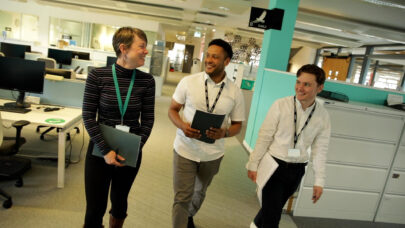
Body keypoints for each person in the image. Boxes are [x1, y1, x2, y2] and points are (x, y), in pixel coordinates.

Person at [82, 27, 155, 228]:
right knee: (95, 207)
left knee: (120, 202)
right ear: (123, 48)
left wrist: (134, 148)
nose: (146, 51)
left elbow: (148, 120)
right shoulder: (98, 76)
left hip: (130, 151)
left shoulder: (147, 81)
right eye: (142, 46)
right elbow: (88, 116)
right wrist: (106, 151)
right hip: (99, 150)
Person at [168, 39, 245, 228]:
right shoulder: (188, 82)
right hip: (185, 149)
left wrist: (224, 133)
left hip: (212, 154)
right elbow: (172, 110)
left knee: (199, 192)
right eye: (208, 55)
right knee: (182, 197)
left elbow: (237, 126)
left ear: (226, 62)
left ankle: (189, 215)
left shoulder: (235, 92)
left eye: (215, 57)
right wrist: (182, 126)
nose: (209, 60)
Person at [246, 64, 331, 228]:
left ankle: (255, 225)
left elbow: (320, 150)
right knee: (273, 218)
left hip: (297, 171)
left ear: (319, 88)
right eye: (298, 82)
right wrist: (253, 163)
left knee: (272, 208)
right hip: (274, 168)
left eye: (307, 84)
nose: (300, 88)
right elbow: (264, 137)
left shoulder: (323, 116)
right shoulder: (280, 105)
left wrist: (319, 181)